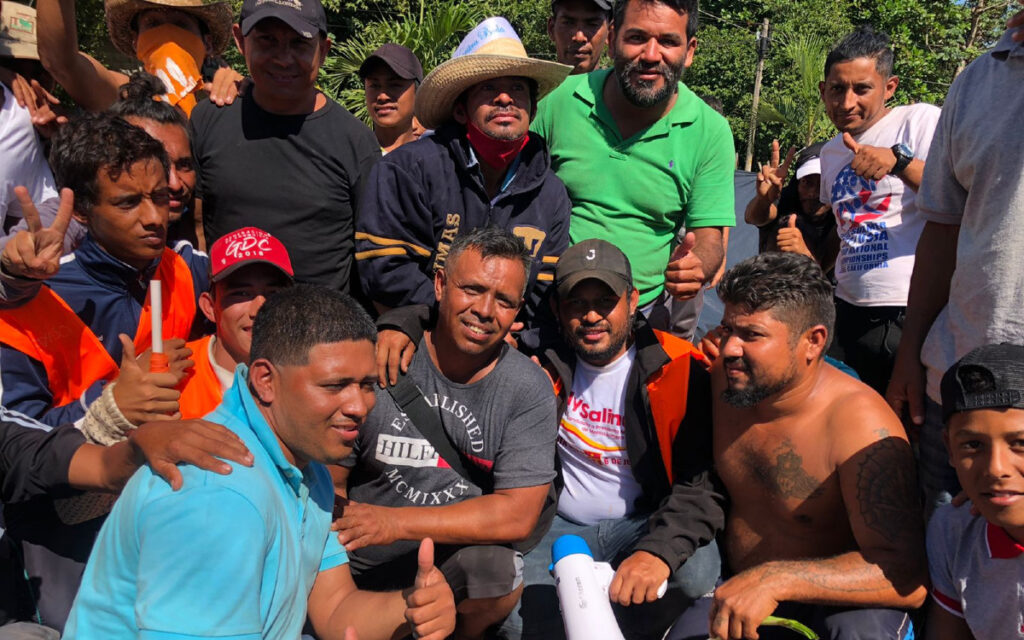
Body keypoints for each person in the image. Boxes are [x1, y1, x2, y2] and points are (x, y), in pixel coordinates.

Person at [64, 284, 457, 640]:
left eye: (367, 385)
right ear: (266, 381)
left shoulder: (309, 466)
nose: (359, 406)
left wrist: (413, 606)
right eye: (335, 385)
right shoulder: (216, 494)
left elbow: (336, 609)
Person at [0, 113, 208, 631]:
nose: (154, 217)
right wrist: (109, 406)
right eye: (127, 202)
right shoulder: (33, 301)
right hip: (63, 532)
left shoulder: (185, 268)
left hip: (173, 511)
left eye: (160, 196)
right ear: (84, 212)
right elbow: (14, 449)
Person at [666, 253, 927, 640]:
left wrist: (776, 579)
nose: (731, 348)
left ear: (813, 341)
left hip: (836, 602)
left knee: (864, 632)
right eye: (727, 330)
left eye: (751, 335)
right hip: (739, 587)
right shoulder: (727, 379)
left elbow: (905, 575)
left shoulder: (862, 427)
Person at [335, 228, 558, 639]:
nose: (486, 310)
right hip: (361, 561)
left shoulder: (527, 388)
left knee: (501, 572)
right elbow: (330, 479)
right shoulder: (381, 356)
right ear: (439, 285)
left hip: (450, 568)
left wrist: (396, 523)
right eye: (471, 289)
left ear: (518, 310)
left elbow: (517, 514)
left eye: (504, 300)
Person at [498, 239, 723, 639]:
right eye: (576, 302)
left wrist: (658, 552)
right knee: (516, 619)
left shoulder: (679, 368)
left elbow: (700, 486)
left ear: (633, 300)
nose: (591, 315)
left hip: (641, 522)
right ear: (556, 309)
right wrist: (404, 325)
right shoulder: (539, 364)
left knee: (696, 570)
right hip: (560, 526)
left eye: (605, 300)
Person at [886, 9, 1024, 513]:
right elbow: (942, 229)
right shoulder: (977, 79)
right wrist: (910, 354)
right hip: (957, 380)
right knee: (946, 556)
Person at [532, 0, 734, 342]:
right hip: (551, 307)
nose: (651, 55)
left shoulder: (710, 131)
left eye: (669, 41)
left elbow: (710, 236)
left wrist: (697, 264)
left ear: (690, 51)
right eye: (637, 37)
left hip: (643, 318)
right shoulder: (559, 100)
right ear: (611, 40)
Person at [355, 17, 572, 323]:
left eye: (517, 88)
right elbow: (385, 271)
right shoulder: (406, 170)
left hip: (511, 347)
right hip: (422, 337)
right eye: (489, 88)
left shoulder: (551, 194)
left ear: (532, 110)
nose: (505, 98)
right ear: (460, 109)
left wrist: (511, 335)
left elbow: (545, 288)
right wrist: (465, 323)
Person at [190, 0, 380, 294]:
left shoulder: (355, 142)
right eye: (267, 40)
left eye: (299, 43)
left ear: (324, 50)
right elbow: (195, 229)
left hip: (320, 332)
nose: (283, 58)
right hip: (228, 329)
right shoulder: (207, 120)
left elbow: (372, 257)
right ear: (240, 40)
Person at [817, 26, 940, 395]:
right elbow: (844, 232)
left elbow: (955, 198)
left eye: (862, 88)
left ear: (889, 87)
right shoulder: (830, 153)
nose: (847, 101)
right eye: (837, 89)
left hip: (907, 311)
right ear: (823, 91)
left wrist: (898, 161)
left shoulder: (918, 121)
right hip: (846, 309)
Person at [925, 343, 1024, 640]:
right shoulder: (954, 531)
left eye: (1020, 443)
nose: (996, 469)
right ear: (949, 449)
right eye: (972, 445)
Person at [35, 0, 240, 115]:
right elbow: (61, 62)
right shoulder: (125, 96)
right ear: (136, 41)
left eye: (180, 25)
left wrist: (244, 92)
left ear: (207, 43)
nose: (166, 35)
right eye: (153, 25)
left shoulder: (228, 95)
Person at [179, 226, 294, 418]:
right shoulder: (172, 372)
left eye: (273, 294)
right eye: (241, 294)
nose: (259, 310)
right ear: (209, 307)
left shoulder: (310, 374)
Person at [0, 2, 62, 247]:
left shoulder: (48, 129)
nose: (40, 80)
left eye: (45, 68)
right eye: (15, 65)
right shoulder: (15, 117)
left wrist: (58, 142)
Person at [746, 141, 837, 273]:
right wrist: (763, 200)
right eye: (807, 182)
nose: (813, 193)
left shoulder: (844, 217)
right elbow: (754, 218)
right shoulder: (784, 200)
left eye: (823, 185)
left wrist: (805, 256)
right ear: (797, 182)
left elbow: (822, 274)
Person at [360, 43, 425, 154]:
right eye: (374, 86)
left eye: (395, 85)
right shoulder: (354, 157)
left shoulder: (434, 156)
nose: (382, 97)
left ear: (417, 91)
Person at [547, 0, 611, 75]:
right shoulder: (535, 85)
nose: (579, 38)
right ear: (551, 29)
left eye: (592, 24)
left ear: (610, 33)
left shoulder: (619, 85)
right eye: (568, 23)